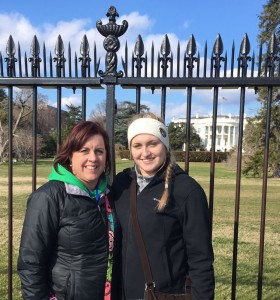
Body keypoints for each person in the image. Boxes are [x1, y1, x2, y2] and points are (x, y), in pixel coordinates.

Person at [112, 112, 215, 300]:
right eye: (137, 145)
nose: (145, 152)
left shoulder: (187, 191)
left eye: (153, 143)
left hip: (164, 294)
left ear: (165, 145)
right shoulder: (121, 184)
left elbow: (201, 260)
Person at [17, 120, 120, 300]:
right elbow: (30, 264)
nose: (93, 158)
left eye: (99, 151)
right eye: (84, 151)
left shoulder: (110, 195)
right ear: (70, 156)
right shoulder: (49, 197)